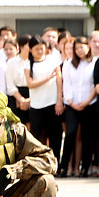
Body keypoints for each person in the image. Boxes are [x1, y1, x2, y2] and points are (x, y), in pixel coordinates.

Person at [59, 37, 97, 177]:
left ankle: (84, 168)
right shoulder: (68, 63)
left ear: (88, 47)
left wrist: (87, 101)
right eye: (77, 48)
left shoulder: (94, 62)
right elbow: (66, 83)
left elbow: (95, 84)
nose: (80, 50)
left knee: (87, 137)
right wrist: (71, 101)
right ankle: (64, 167)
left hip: (89, 104)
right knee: (70, 133)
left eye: (82, 47)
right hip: (72, 104)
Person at [25, 38, 64, 166]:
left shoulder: (52, 60)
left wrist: (59, 100)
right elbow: (30, 84)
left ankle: (55, 162)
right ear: (31, 50)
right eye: (36, 49)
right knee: (36, 136)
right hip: (36, 105)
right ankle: (38, 163)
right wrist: (47, 78)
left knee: (55, 135)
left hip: (52, 103)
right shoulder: (27, 64)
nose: (39, 51)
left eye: (41, 48)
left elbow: (59, 80)